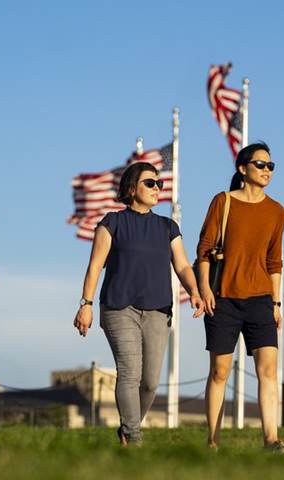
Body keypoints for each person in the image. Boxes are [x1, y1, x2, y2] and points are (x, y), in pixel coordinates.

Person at [73, 161, 204, 446]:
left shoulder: (168, 226)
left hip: (158, 310)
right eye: (150, 183)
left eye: (160, 184)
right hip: (119, 307)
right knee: (129, 372)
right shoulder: (113, 222)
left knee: (150, 382)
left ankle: (127, 428)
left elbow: (182, 266)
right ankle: (134, 438)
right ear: (132, 189)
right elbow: (95, 266)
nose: (158, 188)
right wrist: (86, 304)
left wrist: (194, 289)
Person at [196, 142, 284, 454]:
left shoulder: (277, 211)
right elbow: (204, 249)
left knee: (268, 371)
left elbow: (274, 262)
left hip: (261, 301)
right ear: (243, 169)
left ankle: (271, 441)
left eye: (270, 166)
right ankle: (213, 443)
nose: (267, 170)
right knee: (220, 372)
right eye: (260, 164)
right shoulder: (223, 201)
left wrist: (277, 303)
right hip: (223, 298)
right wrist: (204, 290)